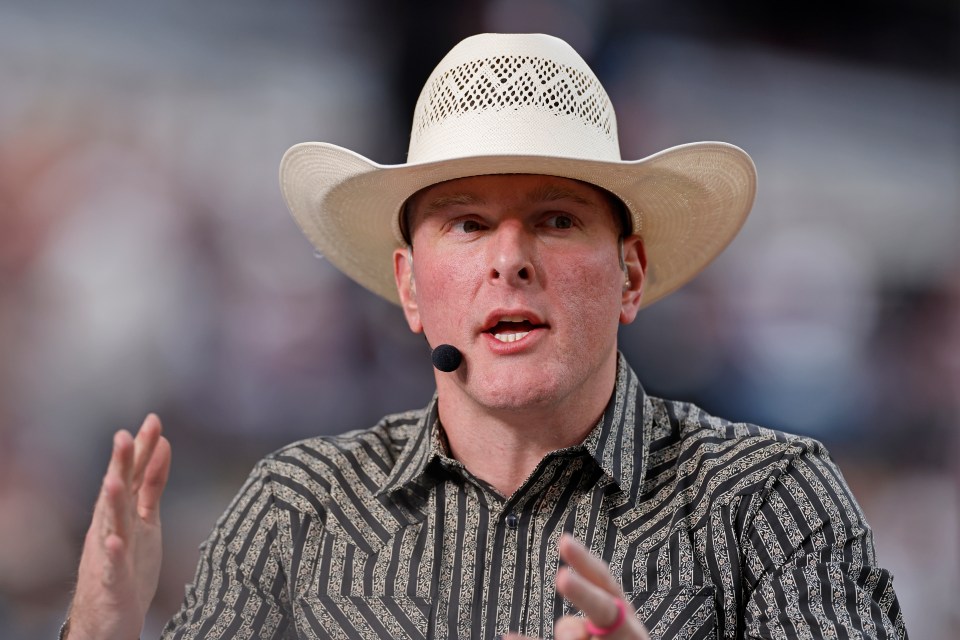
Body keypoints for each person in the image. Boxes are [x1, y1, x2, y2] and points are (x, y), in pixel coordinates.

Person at [62, 33, 907, 640]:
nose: (510, 259)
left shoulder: (768, 499)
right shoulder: (297, 509)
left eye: (555, 217)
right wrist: (100, 631)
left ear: (632, 274)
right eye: (467, 224)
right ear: (409, 287)